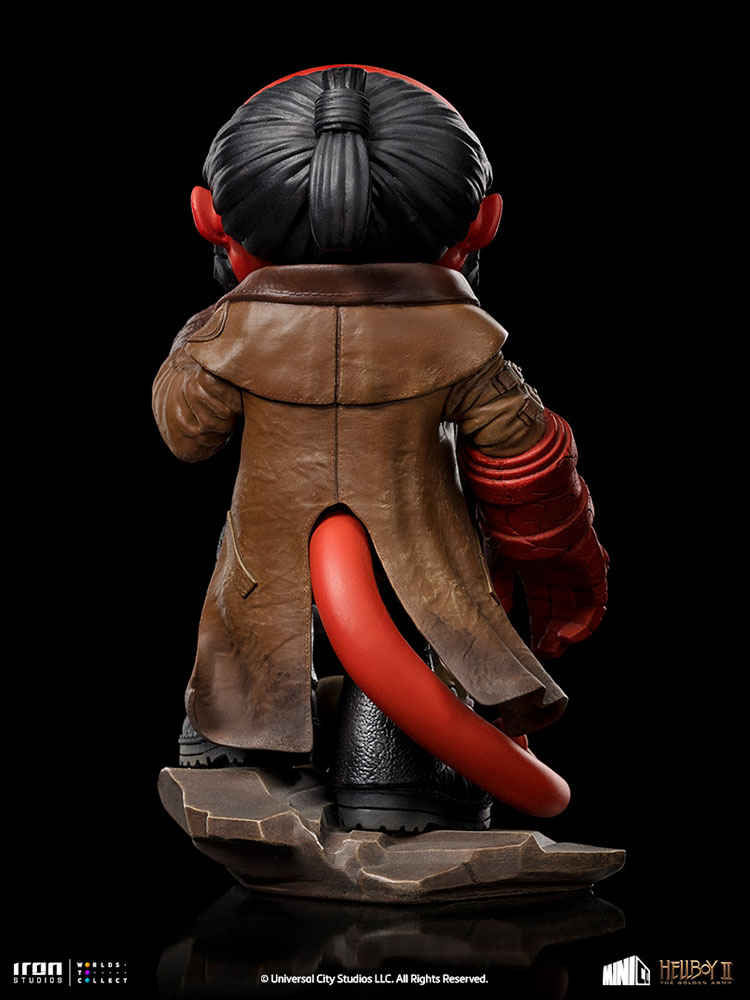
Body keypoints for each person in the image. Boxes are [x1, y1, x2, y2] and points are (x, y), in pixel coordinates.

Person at [152, 65, 608, 832]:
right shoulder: (467, 348)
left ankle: (237, 722)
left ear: (210, 219)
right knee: (424, 612)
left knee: (249, 599)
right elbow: (525, 460)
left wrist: (198, 345)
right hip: (423, 560)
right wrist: (563, 566)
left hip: (266, 567)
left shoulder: (224, 340)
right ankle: (392, 759)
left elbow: (186, 436)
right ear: (482, 224)